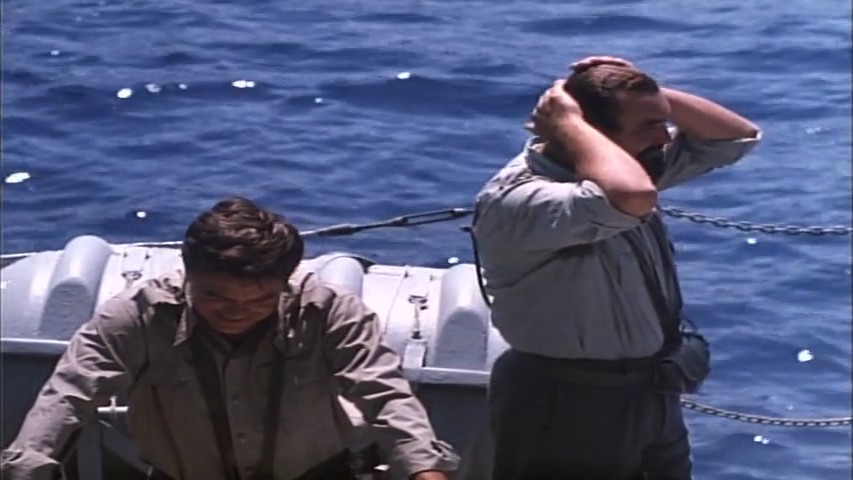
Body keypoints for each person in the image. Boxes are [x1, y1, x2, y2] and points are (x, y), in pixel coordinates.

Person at [1, 196, 459, 480]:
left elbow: (384, 392)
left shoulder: (329, 311)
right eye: (215, 296)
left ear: (285, 282)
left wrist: (424, 469)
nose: (236, 311)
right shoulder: (138, 314)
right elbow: (69, 393)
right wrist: (28, 466)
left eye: (259, 300)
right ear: (188, 273)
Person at [471, 56, 761, 479]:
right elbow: (631, 197)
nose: (665, 137)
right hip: (569, 403)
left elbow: (734, 137)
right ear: (591, 133)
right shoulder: (525, 199)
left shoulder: (629, 166)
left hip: (650, 392)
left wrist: (645, 94)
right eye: (649, 127)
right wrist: (570, 120)